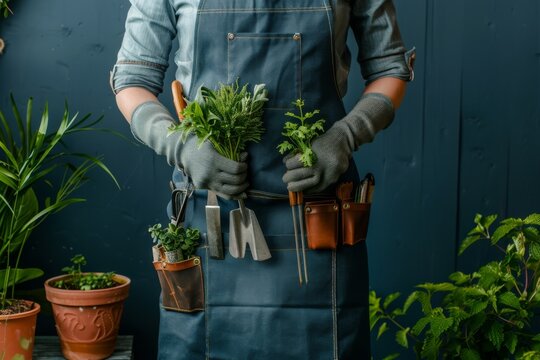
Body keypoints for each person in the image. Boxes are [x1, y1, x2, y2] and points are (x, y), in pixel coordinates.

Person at [111, 0, 414, 358]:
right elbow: (132, 80)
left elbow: (391, 68)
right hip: (210, 223)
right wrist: (181, 146)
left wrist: (346, 135)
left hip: (318, 226)